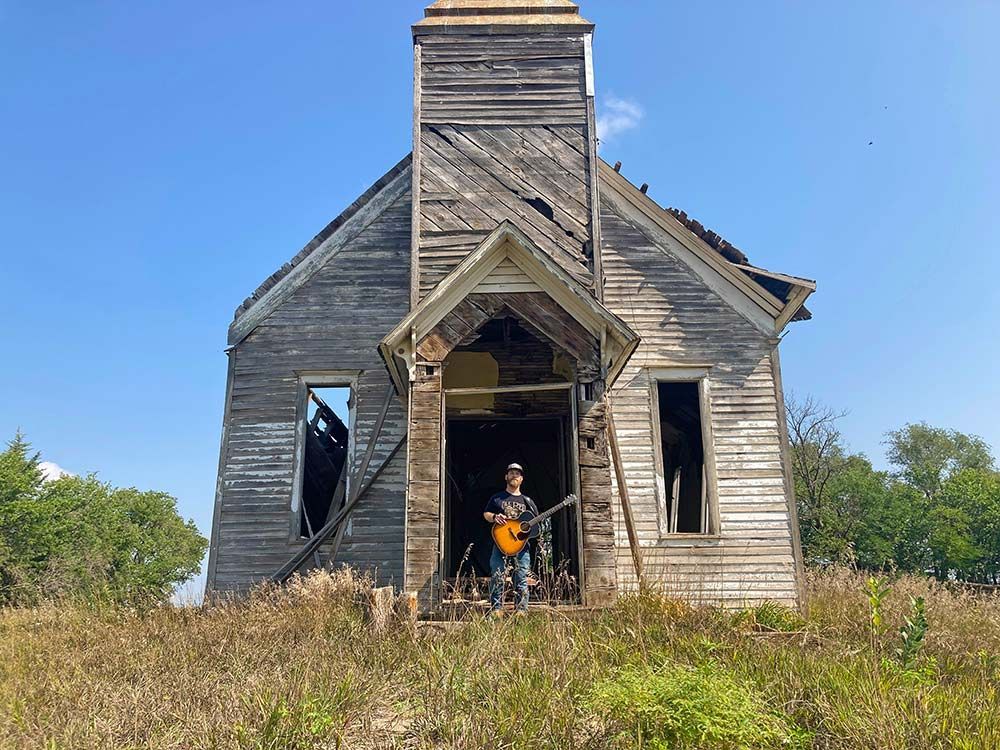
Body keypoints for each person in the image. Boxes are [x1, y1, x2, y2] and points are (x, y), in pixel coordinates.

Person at [483, 462, 539, 616]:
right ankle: (496, 610)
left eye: (517, 473)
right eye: (511, 473)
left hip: (521, 546)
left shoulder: (528, 502)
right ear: (506, 477)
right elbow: (486, 514)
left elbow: (535, 526)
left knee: (521, 577)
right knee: (497, 575)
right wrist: (495, 516)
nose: (514, 475)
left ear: (522, 479)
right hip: (500, 543)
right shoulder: (497, 498)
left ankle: (521, 611)